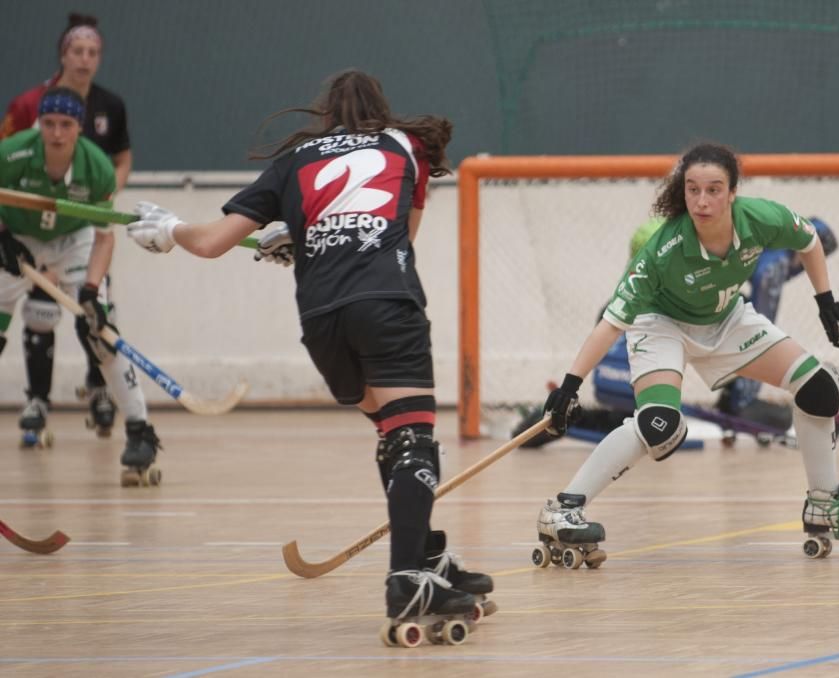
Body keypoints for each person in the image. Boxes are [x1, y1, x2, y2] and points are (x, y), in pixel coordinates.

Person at [123, 70, 493, 633]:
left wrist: (170, 228)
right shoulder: (406, 146)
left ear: (325, 115)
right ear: (380, 110)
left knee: (391, 435)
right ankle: (407, 581)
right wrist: (304, 237)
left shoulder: (294, 162)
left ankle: (425, 553)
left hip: (321, 319)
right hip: (386, 303)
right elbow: (396, 237)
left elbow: (209, 243)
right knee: (414, 437)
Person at [532, 142, 839, 566]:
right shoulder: (661, 252)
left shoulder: (760, 219)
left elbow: (809, 239)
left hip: (724, 318)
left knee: (821, 390)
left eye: (714, 189)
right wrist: (570, 386)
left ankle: (825, 503)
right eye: (693, 189)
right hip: (659, 325)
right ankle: (563, 509)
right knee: (658, 424)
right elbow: (611, 322)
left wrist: (826, 301)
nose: (702, 201)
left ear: (733, 192)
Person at [514, 214, 839, 447]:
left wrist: (570, 386)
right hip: (640, 391)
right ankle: (571, 498)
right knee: (659, 423)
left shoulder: (621, 298)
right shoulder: (683, 298)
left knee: (636, 421)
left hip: (616, 388)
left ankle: (573, 478)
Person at [0, 87, 160, 474]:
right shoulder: (11, 154)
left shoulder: (98, 168)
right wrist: (2, 238)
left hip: (75, 242)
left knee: (99, 334)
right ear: (39, 123)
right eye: (49, 124)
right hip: (17, 238)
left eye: (66, 125)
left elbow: (104, 237)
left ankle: (140, 430)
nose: (56, 133)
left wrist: (90, 291)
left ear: (79, 128)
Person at [1, 13, 132, 436]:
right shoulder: (27, 105)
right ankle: (38, 400)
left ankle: (100, 389)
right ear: (63, 54)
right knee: (40, 313)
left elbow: (120, 159)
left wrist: (104, 204)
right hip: (26, 230)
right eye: (78, 51)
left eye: (93, 52)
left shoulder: (109, 105)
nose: (85, 59)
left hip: (80, 229)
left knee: (92, 308)